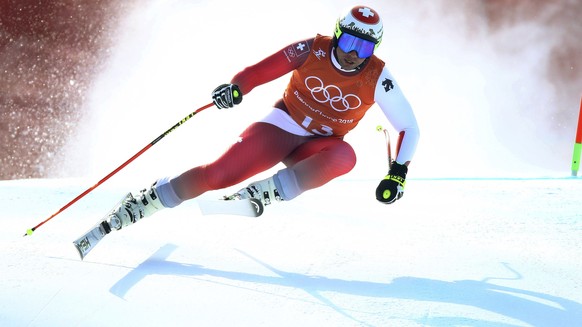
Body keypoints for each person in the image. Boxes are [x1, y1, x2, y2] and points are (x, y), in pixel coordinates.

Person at [106, 5, 420, 231]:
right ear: (338, 35)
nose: (354, 54)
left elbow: (409, 126)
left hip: (318, 148)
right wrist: (236, 88)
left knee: (345, 156)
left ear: (374, 49)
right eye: (350, 41)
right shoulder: (312, 49)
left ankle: (264, 193)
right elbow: (257, 72)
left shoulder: (379, 77)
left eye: (364, 47)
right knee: (218, 175)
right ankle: (147, 201)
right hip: (281, 128)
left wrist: (398, 173)